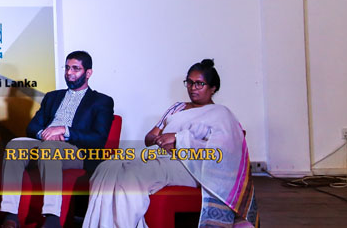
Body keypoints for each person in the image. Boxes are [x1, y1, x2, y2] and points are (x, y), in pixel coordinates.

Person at [83, 59, 259, 228]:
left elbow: (224, 153)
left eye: (199, 84)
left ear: (213, 88)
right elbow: (150, 138)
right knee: (107, 168)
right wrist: (160, 139)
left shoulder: (222, 114)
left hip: (190, 167)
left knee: (130, 177)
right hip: (159, 156)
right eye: (189, 82)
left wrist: (178, 139)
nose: (193, 88)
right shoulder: (177, 108)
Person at [0, 50, 115, 228]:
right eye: (67, 68)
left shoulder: (101, 101)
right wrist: (44, 133)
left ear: (88, 73)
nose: (69, 73)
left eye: (75, 68)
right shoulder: (52, 97)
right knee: (15, 145)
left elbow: (99, 138)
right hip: (45, 142)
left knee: (50, 148)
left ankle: (52, 218)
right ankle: (11, 215)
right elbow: (32, 127)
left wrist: (65, 130)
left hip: (75, 150)